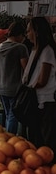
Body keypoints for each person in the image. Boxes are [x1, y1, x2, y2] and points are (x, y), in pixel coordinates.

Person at [22, 17, 56, 154]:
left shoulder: (47, 51)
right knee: (36, 138)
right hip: (36, 100)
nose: (27, 34)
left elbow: (42, 80)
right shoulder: (35, 50)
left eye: (29, 30)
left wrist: (28, 87)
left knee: (46, 140)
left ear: (36, 32)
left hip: (46, 101)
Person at [0, 22, 29, 135]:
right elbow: (26, 69)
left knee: (8, 113)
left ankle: (9, 136)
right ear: (20, 35)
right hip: (15, 88)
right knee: (13, 115)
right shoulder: (20, 48)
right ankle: (10, 138)